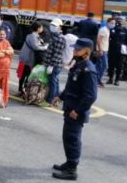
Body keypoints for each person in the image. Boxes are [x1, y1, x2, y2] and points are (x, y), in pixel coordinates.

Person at [51, 38, 98, 180]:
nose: (74, 51)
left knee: (72, 138)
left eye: (78, 49)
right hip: (70, 108)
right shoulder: (78, 65)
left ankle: (72, 170)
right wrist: (60, 96)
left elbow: (90, 95)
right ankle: (69, 162)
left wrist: (77, 110)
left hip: (76, 112)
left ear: (87, 52)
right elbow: (71, 87)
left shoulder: (88, 69)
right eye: (75, 48)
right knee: (67, 137)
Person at [18, 21, 48, 95]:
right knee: (26, 74)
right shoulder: (33, 36)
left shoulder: (34, 35)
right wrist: (45, 47)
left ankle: (22, 89)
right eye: (41, 27)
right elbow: (36, 47)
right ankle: (22, 89)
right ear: (38, 28)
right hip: (28, 58)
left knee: (25, 74)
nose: (42, 29)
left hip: (27, 57)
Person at [45, 18, 66, 104]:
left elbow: (56, 54)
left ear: (60, 27)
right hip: (53, 64)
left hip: (54, 64)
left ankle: (49, 100)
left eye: (55, 26)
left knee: (52, 82)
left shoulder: (59, 39)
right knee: (55, 81)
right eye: (52, 25)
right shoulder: (54, 36)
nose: (52, 27)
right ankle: (57, 97)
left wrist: (51, 65)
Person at [107, 17, 127, 86]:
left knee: (119, 66)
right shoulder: (112, 29)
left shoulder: (125, 30)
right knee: (111, 66)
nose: (119, 22)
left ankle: (117, 80)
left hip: (121, 51)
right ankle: (110, 78)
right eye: (118, 21)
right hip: (112, 50)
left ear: (123, 22)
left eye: (121, 21)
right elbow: (108, 39)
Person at [96, 18, 114, 87]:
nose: (113, 24)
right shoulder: (103, 30)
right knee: (105, 66)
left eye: (114, 23)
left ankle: (97, 80)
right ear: (108, 22)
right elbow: (98, 40)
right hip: (102, 50)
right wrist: (100, 50)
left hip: (104, 50)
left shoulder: (107, 30)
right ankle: (98, 80)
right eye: (112, 23)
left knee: (99, 66)